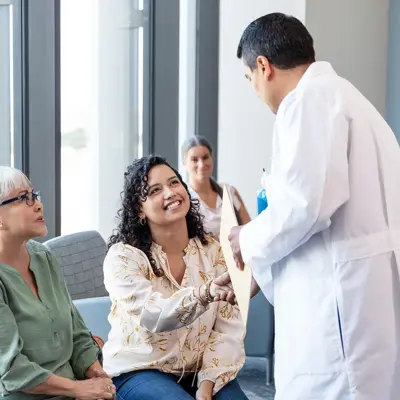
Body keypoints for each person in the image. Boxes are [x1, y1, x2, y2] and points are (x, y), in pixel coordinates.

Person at [219, 12, 400, 400]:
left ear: (263, 67)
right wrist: (254, 274)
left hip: (336, 305)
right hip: (362, 293)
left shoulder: (307, 102)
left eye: (249, 78)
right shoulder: (350, 99)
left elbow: (307, 206)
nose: (254, 89)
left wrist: (245, 238)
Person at [102, 155, 247, 400]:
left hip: (200, 370)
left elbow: (228, 328)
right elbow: (153, 314)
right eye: (155, 190)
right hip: (141, 370)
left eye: (174, 183)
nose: (170, 193)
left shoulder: (215, 252)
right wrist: (204, 293)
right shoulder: (123, 257)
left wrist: (207, 385)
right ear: (140, 210)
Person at [0, 166, 116, 400]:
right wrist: (79, 389)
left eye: (35, 195)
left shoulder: (44, 256)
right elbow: (11, 369)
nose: (39, 204)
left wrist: (96, 374)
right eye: (24, 198)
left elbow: (77, 332)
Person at [182, 136, 251, 239]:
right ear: (184, 164)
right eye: (194, 160)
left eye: (205, 157)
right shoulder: (184, 199)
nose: (201, 164)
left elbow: (248, 230)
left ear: (212, 158)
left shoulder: (229, 191)